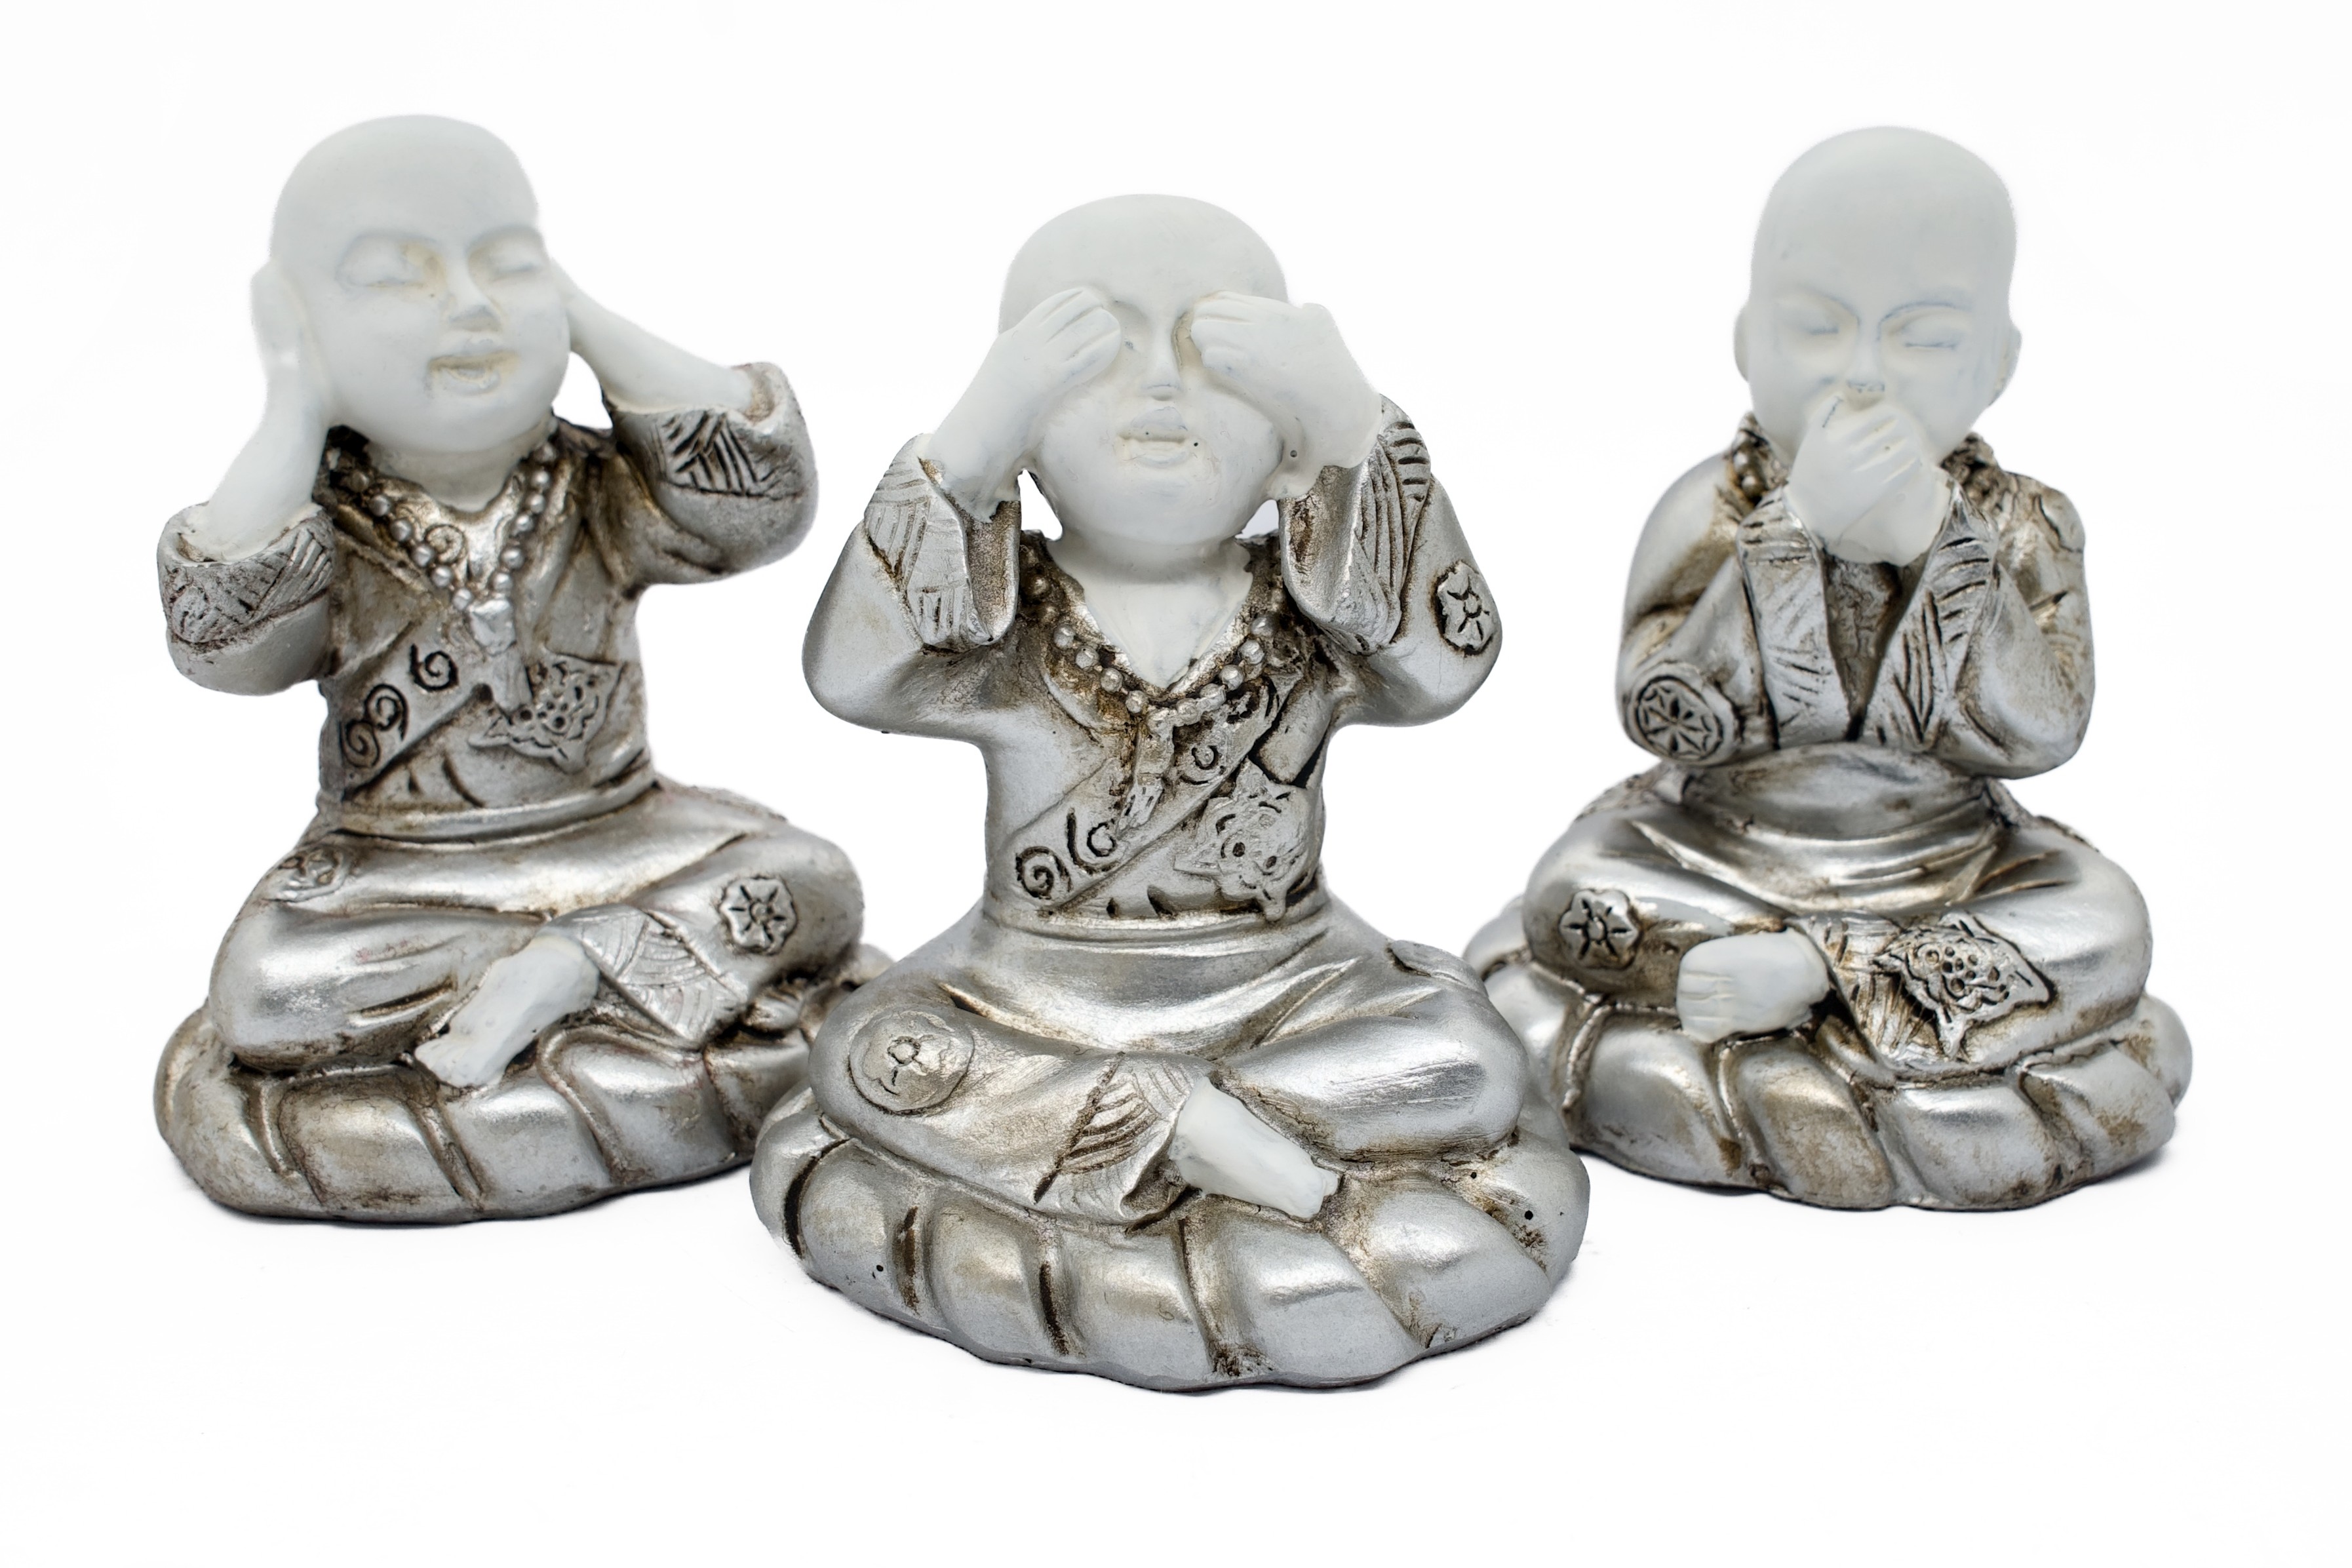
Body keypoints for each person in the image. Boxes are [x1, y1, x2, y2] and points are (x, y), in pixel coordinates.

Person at [755, 195, 1585, 1389]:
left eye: (1216, 353)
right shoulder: (1002, 618)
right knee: (875, 1049)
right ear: (1024, 434)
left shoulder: (1318, 607)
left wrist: (1354, 426)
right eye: (1095, 351)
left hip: (1293, 982)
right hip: (1032, 983)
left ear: (1287, 444)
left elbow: (1449, 665)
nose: (1161, 386)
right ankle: (1186, 1132)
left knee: (1469, 1061)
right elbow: (852, 673)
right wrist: (966, 451)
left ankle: (1146, 1131)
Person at [155, 117, 872, 1221]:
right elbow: (225, 650)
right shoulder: (321, 518)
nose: (470, 306)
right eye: (398, 278)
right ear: (299, 319)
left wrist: (583, 319)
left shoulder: (598, 485)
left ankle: (574, 968)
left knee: (813, 876)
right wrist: (292, 395)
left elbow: (760, 510)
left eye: (507, 263)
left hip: (625, 832)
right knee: (269, 990)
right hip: (400, 873)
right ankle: (582, 971)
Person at [1471, 129, 2188, 1211]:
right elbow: (1662, 714)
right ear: (1747, 340)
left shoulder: (2025, 528)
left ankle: (1814, 976)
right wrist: (1793, 528)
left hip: (1949, 858)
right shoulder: (1712, 509)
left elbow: (2048, 729)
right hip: (1714, 845)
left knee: (2103, 922)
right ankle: (1852, 1004)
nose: (1862, 374)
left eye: (1923, 338)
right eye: (1816, 327)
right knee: (1571, 894)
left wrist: (1942, 548)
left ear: (1998, 366)